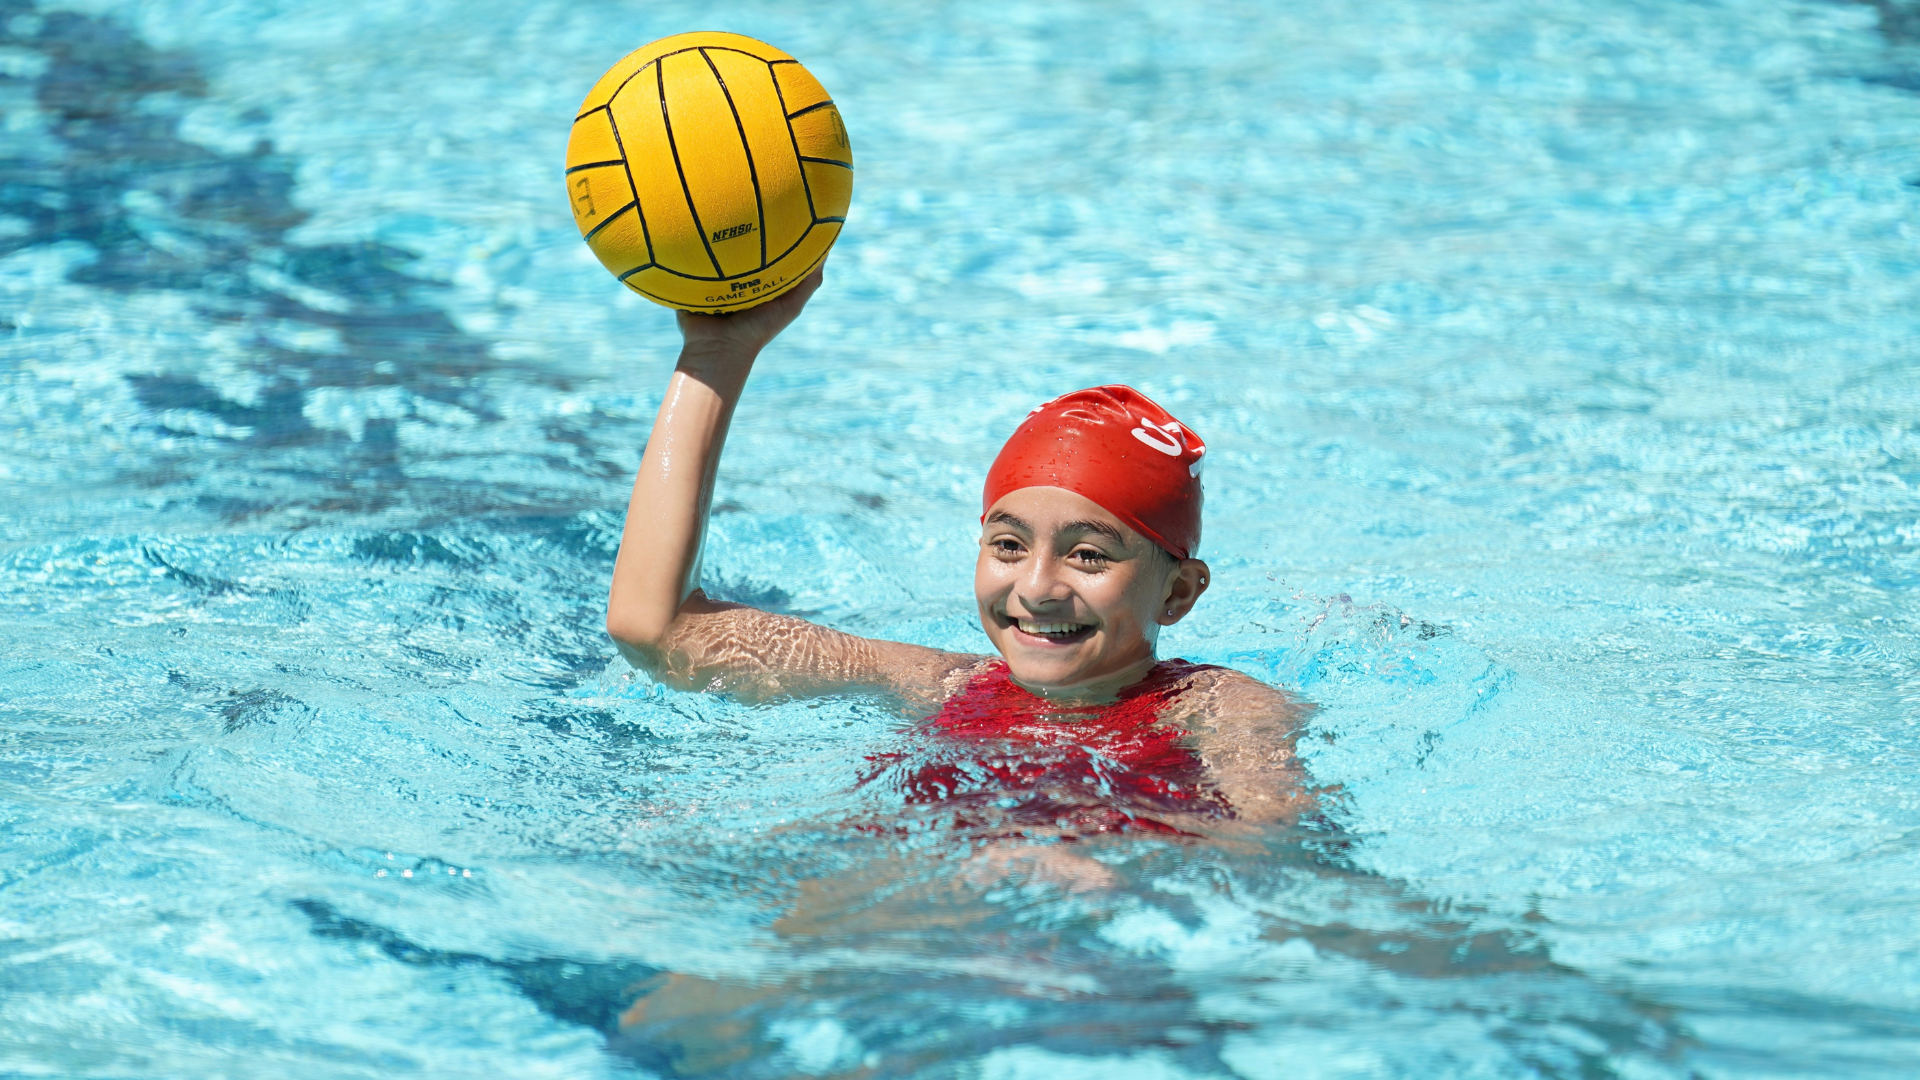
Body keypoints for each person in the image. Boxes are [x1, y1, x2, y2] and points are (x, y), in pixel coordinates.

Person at [606, 266, 1311, 839]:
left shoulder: (1215, 710)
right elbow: (654, 630)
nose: (1036, 587)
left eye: (1089, 556)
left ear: (1179, 592)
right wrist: (715, 359)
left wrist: (1104, 863)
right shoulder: (939, 684)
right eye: (1008, 544)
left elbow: (1269, 846)